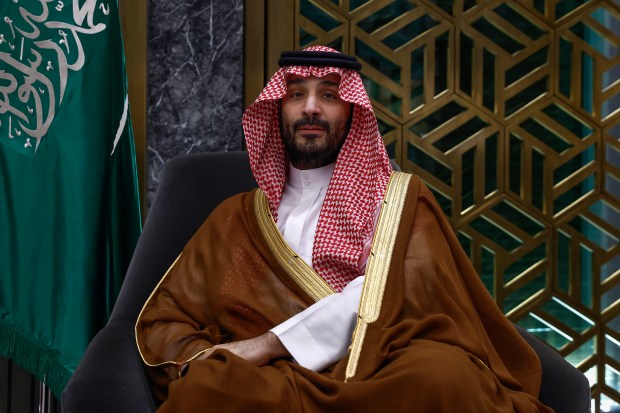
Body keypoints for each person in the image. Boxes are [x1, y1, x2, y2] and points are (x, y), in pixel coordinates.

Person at [135, 46, 552, 412]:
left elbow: (392, 293)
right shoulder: (235, 217)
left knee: (446, 376)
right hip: (274, 380)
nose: (311, 108)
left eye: (329, 95)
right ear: (277, 108)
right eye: (297, 94)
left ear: (352, 111)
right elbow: (171, 314)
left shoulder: (398, 200)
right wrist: (207, 357)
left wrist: (264, 344)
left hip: (381, 368)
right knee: (208, 387)